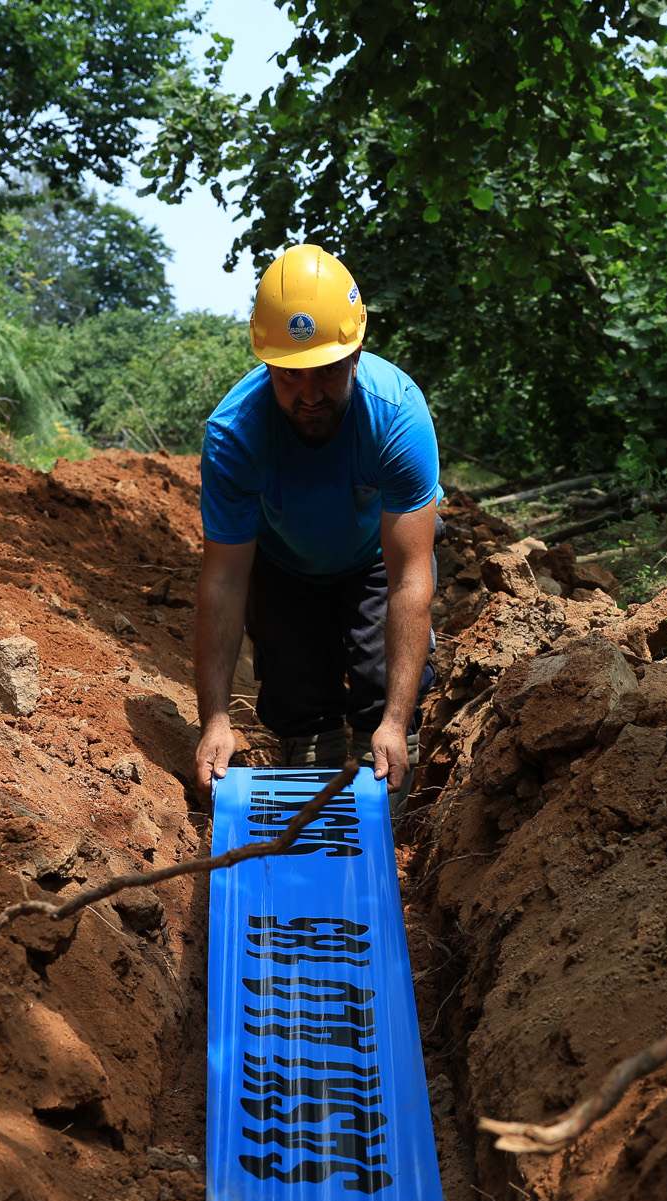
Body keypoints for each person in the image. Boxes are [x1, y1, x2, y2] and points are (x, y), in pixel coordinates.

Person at [193, 244, 441, 799]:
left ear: (355, 355)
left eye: (326, 372)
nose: (308, 395)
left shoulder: (397, 416)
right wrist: (214, 720)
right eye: (288, 376)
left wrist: (396, 724)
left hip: (377, 555)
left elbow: (409, 579)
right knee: (301, 709)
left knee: (383, 687)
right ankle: (311, 778)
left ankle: (387, 782)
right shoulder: (235, 434)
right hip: (283, 564)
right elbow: (225, 580)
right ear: (267, 365)